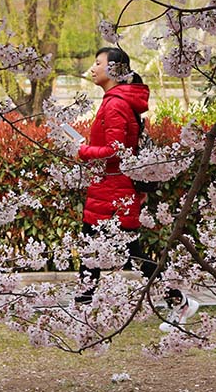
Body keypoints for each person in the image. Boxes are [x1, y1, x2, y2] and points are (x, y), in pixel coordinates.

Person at [74, 46, 198, 331]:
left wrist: (83, 151)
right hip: (109, 190)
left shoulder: (116, 104)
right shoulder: (113, 100)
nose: (93, 69)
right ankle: (82, 309)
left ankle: (180, 302)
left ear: (115, 69)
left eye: (98, 63)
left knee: (131, 253)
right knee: (95, 250)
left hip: (115, 192)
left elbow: (115, 151)